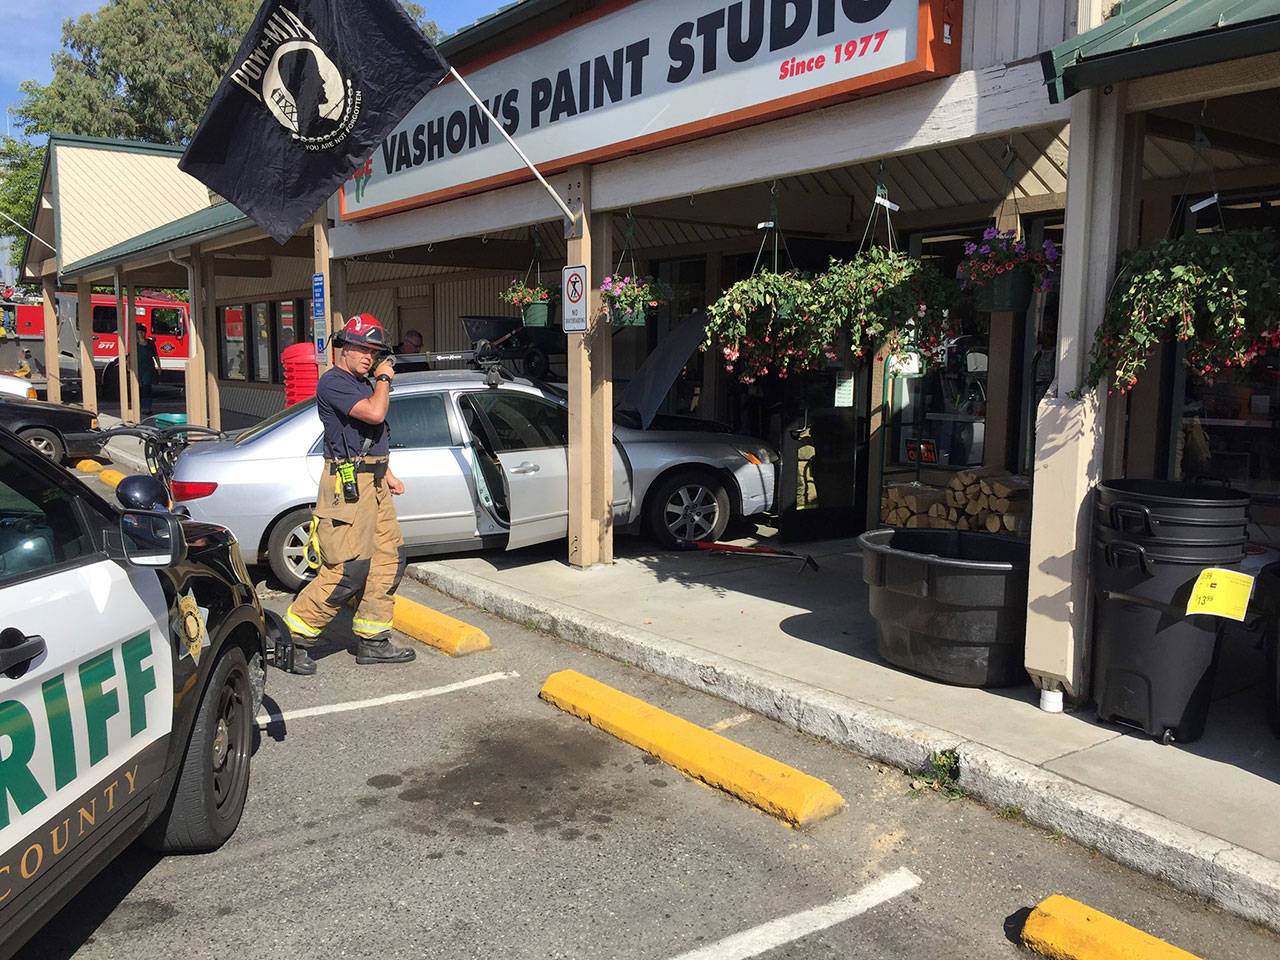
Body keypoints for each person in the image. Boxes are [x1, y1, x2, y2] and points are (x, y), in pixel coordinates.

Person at [283, 313, 415, 674]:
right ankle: (292, 638)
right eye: (362, 349)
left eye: (374, 352)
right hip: (346, 488)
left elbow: (365, 437)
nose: (369, 358)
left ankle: (373, 640)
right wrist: (385, 378)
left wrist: (386, 473)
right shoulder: (333, 383)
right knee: (348, 569)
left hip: (372, 483)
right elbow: (373, 414)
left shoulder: (361, 382)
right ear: (344, 346)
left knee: (389, 558)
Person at [136, 323, 161, 417]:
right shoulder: (135, 344)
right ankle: (139, 407)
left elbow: (156, 355)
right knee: (139, 388)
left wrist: (159, 367)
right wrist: (129, 366)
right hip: (138, 368)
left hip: (148, 368)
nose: (141, 334)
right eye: (139, 332)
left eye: (143, 332)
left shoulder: (150, 343)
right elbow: (130, 356)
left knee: (147, 388)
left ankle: (147, 407)